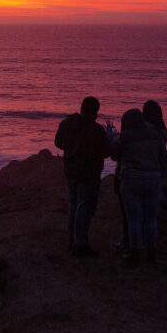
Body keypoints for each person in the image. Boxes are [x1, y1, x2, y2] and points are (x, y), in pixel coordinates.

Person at [111, 108, 167, 266]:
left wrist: (111, 137)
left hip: (131, 181)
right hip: (153, 180)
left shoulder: (125, 137)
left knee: (134, 220)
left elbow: (114, 155)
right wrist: (162, 177)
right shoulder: (155, 136)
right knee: (151, 219)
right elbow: (164, 159)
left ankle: (135, 253)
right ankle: (151, 253)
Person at [54, 96, 111, 257]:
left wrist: (72, 147)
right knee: (85, 207)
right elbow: (106, 152)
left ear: (81, 108)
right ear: (95, 112)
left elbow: (58, 143)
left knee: (74, 204)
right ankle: (80, 243)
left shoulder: (66, 123)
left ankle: (73, 238)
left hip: (71, 171)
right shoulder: (96, 130)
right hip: (89, 174)